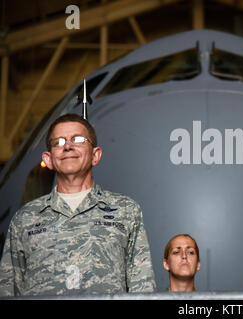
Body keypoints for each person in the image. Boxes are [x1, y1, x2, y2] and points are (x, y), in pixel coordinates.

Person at [0, 113, 156, 296]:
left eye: (78, 139)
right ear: (48, 159)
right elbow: (8, 289)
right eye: (58, 142)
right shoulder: (25, 218)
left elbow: (143, 288)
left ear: (95, 155)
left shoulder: (125, 210)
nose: (67, 146)